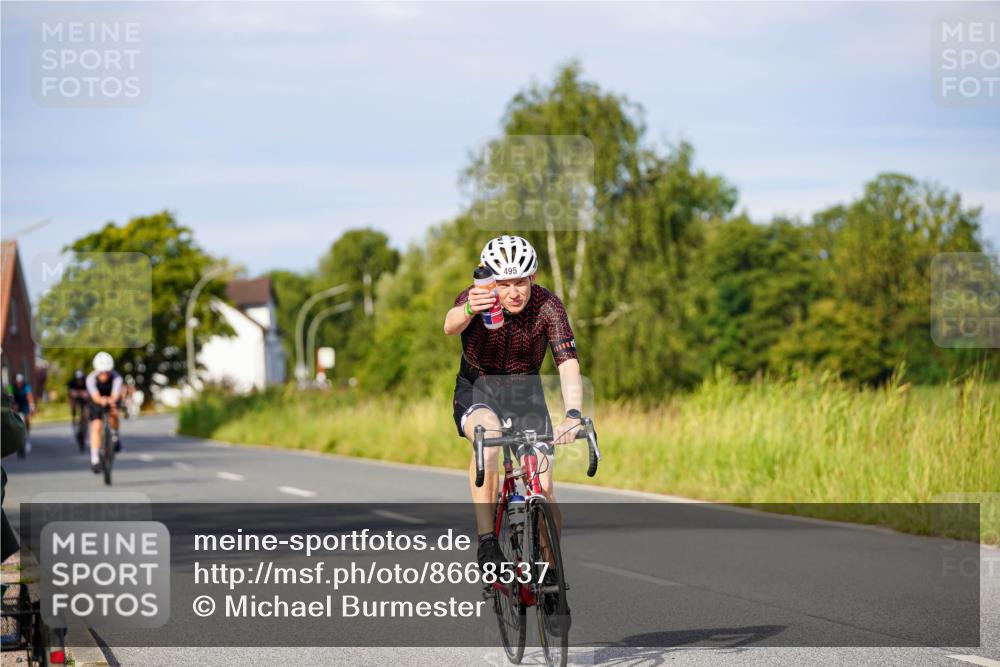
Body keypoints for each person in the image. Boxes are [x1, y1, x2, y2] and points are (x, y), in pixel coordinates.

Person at [443, 235, 584, 577]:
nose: (512, 292)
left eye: (520, 282)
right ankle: (488, 540)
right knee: (487, 438)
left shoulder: (548, 306)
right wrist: (468, 309)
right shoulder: (477, 297)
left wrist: (573, 415)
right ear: (492, 282)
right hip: (479, 389)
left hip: (525, 393)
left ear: (532, 279)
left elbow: (567, 363)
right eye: (504, 284)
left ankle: (550, 572)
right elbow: (449, 326)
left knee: (545, 486)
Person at [86, 352, 123, 473]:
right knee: (96, 426)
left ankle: (115, 435)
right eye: (102, 372)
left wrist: (111, 401)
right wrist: (102, 401)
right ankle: (95, 459)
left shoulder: (117, 377)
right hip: (97, 401)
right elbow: (95, 396)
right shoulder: (91, 378)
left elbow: (116, 394)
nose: (105, 375)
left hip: (111, 398)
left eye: (107, 372)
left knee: (114, 413)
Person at [8, 373, 35, 455]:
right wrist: (12, 405)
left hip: (24, 403)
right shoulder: (11, 386)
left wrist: (32, 406)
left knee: (27, 419)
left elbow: (29, 396)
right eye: (18, 382)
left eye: (21, 382)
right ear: (15, 382)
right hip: (16, 403)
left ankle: (28, 438)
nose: (19, 384)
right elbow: (10, 396)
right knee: (13, 420)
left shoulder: (26, 386)